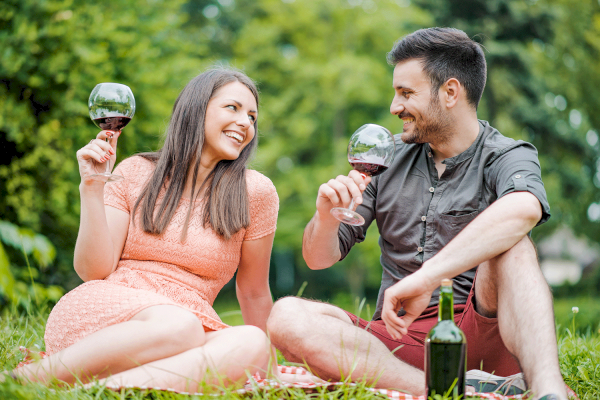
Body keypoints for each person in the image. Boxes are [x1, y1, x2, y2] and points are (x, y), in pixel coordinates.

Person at [267, 28, 567, 400]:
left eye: (406, 93)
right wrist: (326, 216)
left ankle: (548, 392)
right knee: (286, 316)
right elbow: (318, 259)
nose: (395, 107)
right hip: (392, 346)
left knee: (515, 245)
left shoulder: (507, 155)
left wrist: (427, 278)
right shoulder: (385, 157)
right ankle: (451, 391)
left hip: (480, 334)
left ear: (451, 92)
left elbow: (524, 208)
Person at [8, 68, 279, 392]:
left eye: (252, 117)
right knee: (179, 325)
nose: (245, 123)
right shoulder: (136, 170)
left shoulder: (256, 193)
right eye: (233, 108)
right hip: (108, 312)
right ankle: (21, 380)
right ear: (197, 108)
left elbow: (253, 292)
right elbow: (94, 269)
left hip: (190, 328)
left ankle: (99, 390)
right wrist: (92, 187)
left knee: (252, 343)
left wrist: (271, 369)